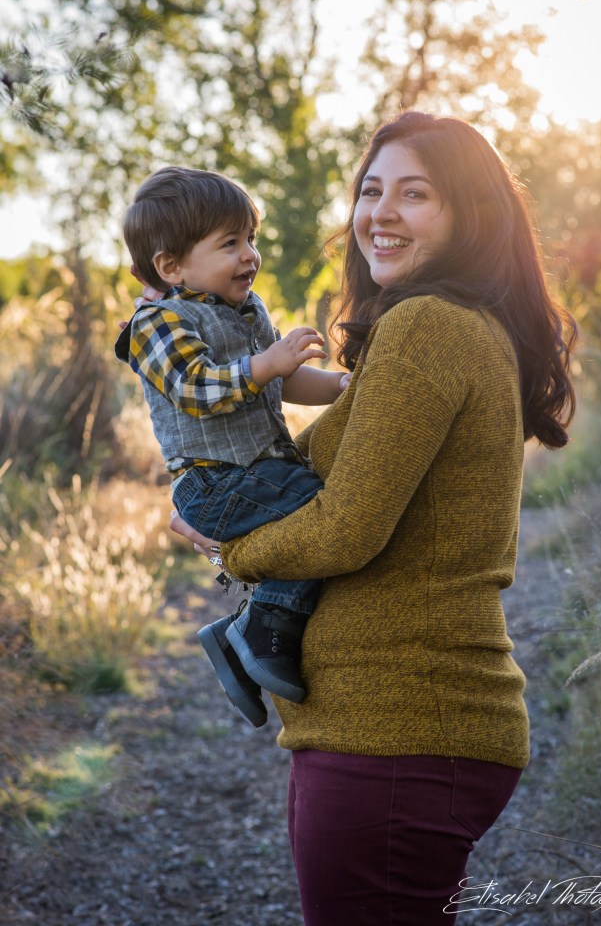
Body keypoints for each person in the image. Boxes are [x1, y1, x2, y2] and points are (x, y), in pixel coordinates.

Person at [170, 111, 578, 925]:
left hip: (395, 737)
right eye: (371, 190)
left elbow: (345, 526)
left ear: (470, 215)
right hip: (393, 731)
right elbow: (314, 477)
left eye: (415, 194)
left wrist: (234, 545)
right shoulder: (447, 329)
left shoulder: (430, 327)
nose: (379, 213)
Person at [115, 166, 349, 728]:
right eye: (230, 244)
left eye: (251, 240)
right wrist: (268, 363)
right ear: (172, 266)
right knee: (327, 515)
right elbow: (196, 389)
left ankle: (241, 638)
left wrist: (345, 387)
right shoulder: (157, 323)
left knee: (321, 513)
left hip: (259, 472)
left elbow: (284, 382)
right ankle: (259, 625)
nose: (250, 256)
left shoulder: (249, 310)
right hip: (212, 482)